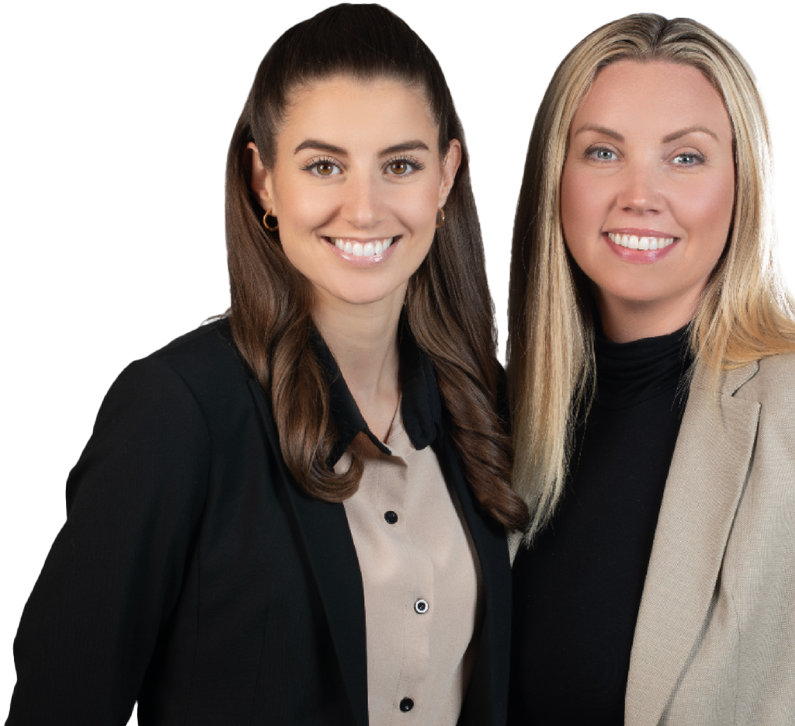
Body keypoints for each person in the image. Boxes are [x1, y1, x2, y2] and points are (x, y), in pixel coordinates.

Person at [7, 5, 528, 724]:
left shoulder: (483, 410)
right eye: (323, 166)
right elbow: (59, 704)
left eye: (399, 165)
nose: (364, 207)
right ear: (263, 182)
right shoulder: (176, 410)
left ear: (445, 177)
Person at [505, 13, 795, 726]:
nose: (638, 193)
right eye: (601, 152)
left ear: (743, 183)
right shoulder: (488, 424)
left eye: (684, 157)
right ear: (552, 180)